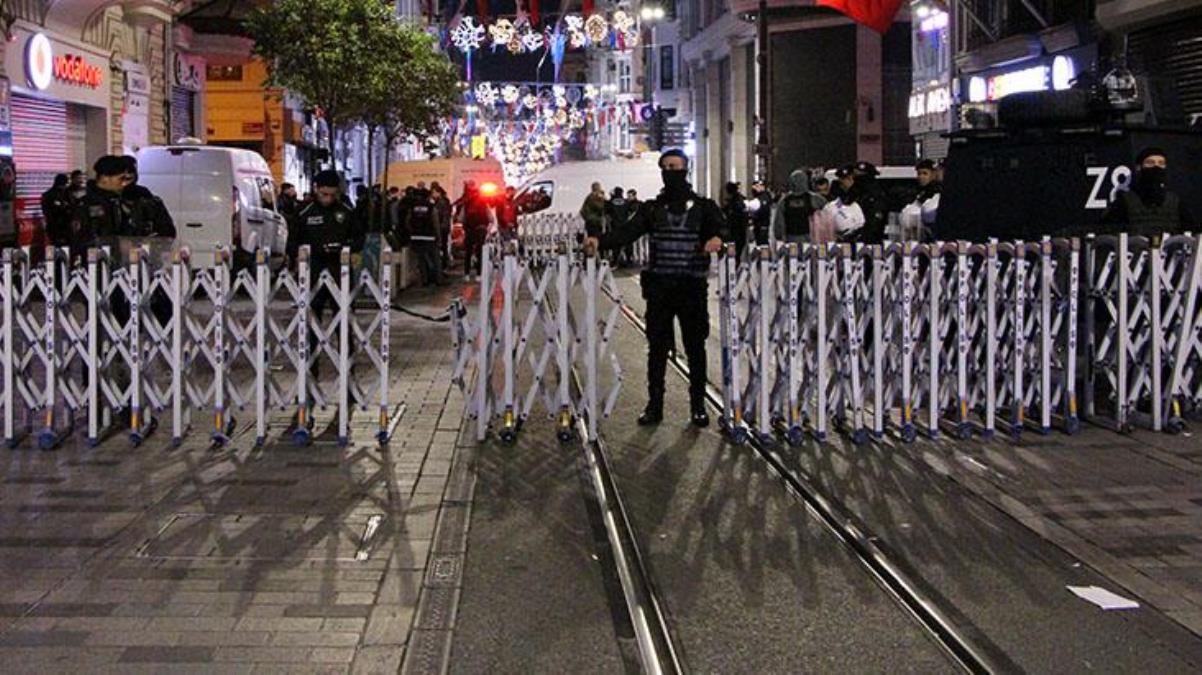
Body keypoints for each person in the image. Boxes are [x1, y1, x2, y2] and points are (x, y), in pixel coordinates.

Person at [584, 149, 724, 427]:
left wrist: (717, 239)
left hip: (692, 288)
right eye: (667, 167)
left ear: (686, 169)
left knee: (696, 348)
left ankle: (698, 405)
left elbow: (723, 229)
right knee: (657, 349)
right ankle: (654, 405)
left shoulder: (704, 208)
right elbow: (626, 232)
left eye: (676, 166)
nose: (671, 171)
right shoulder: (651, 209)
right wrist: (600, 241)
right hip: (660, 289)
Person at [288, 169, 365, 389]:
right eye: (324, 194)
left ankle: (348, 374)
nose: (328, 199)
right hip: (312, 275)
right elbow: (293, 242)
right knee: (310, 325)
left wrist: (346, 248)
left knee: (344, 325)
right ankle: (310, 374)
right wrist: (307, 252)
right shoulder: (304, 212)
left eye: (332, 195)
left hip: (340, 274)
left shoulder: (347, 211)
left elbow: (359, 237)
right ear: (315, 190)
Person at [1100, 147, 1193, 237]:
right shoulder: (1125, 202)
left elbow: (1192, 231)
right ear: (1139, 167)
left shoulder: (1175, 202)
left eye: (1161, 163)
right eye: (1150, 163)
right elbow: (1107, 233)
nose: (1156, 167)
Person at [772, 169, 827, 245]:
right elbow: (828, 213)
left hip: (791, 239)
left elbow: (778, 226)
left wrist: (780, 238)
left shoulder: (784, 201)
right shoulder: (815, 199)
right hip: (811, 238)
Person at [455, 180, 492, 279]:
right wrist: (488, 227)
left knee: (468, 251)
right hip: (481, 228)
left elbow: (460, 218)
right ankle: (479, 274)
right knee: (480, 252)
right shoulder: (483, 200)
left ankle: (467, 274)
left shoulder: (466, 200)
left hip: (469, 229)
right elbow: (490, 217)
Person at [900, 159, 941, 240]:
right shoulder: (916, 191)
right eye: (919, 174)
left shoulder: (936, 191)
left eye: (925, 173)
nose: (921, 177)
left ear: (933, 174)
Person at [848, 161, 888, 244]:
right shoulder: (854, 194)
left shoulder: (876, 196)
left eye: (861, 176)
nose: (857, 179)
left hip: (870, 243)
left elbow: (875, 224)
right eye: (856, 176)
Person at [40, 174, 75, 248]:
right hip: (58, 226)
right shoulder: (51, 195)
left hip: (61, 227)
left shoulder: (66, 194)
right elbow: (48, 211)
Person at [722, 181, 749, 259]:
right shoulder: (739, 200)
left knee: (734, 250)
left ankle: (734, 265)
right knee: (737, 250)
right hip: (739, 229)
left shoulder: (734, 202)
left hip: (735, 229)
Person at [431, 182, 453, 268]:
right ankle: (444, 264)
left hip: (441, 227)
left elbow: (441, 215)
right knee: (444, 246)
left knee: (441, 246)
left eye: (434, 193)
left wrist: (440, 227)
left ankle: (443, 265)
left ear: (438, 193)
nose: (433, 195)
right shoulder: (445, 201)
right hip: (444, 227)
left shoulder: (440, 203)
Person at [748, 181, 774, 245]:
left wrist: (753, 216)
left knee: (763, 243)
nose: (755, 189)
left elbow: (763, 211)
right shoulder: (760, 197)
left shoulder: (763, 198)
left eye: (757, 186)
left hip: (762, 224)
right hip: (760, 224)